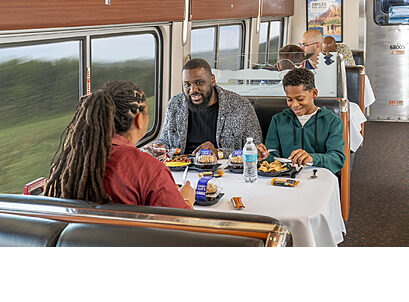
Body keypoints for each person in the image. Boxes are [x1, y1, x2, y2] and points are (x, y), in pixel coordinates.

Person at [45, 80, 195, 209]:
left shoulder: (75, 159)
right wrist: (187, 199)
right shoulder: (151, 170)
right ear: (139, 120)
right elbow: (182, 225)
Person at [146, 58, 266, 158]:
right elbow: (165, 141)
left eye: (199, 83)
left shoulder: (241, 105)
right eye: (187, 85)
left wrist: (218, 153)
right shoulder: (175, 104)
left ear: (212, 80)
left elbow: (256, 151)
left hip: (226, 170)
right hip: (182, 168)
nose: (193, 90)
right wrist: (160, 148)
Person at [262, 68, 346, 174]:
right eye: (289, 99)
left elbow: (337, 159)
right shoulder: (278, 120)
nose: (294, 105)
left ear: (314, 93)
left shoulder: (332, 122)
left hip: (318, 176)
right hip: (285, 177)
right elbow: (272, 155)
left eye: (300, 99)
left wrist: (312, 158)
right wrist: (263, 156)